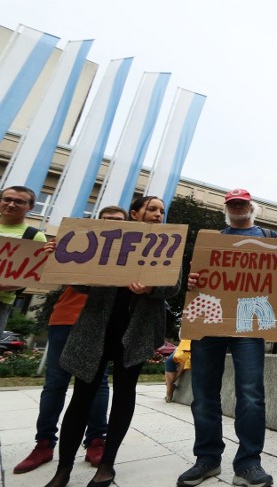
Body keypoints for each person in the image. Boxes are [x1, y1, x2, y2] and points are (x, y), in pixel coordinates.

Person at [43, 195, 180, 487]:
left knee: (124, 393)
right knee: (82, 395)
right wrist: (63, 258)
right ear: (135, 213)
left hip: (136, 331)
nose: (158, 214)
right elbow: (80, 285)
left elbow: (174, 286)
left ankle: (107, 464)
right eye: (151, 209)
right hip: (96, 329)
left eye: (161, 211)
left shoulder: (168, 244)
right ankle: (63, 468)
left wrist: (151, 288)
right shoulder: (106, 241)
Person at [14, 206, 127, 475]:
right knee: (55, 383)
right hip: (66, 318)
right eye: (107, 220)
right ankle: (44, 443)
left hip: (100, 324)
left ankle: (96, 440)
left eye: (119, 221)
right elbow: (42, 275)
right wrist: (53, 255)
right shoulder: (77, 243)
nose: (112, 223)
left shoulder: (128, 253)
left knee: (98, 383)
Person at [178, 188, 276, 487]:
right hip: (210, 323)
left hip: (249, 322)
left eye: (242, 203)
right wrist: (191, 279)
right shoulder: (211, 240)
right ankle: (207, 459)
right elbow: (191, 278)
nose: (237, 207)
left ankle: (248, 463)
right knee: (204, 394)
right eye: (232, 204)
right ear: (227, 209)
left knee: (251, 393)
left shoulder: (270, 237)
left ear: (251, 207)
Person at [0, 185, 48, 333]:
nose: (11, 204)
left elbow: (30, 276)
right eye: (7, 199)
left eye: (19, 202)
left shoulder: (35, 236)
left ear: (31, 207)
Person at [164, 339, 191, 403]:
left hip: (196, 346)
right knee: (169, 361)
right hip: (185, 345)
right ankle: (170, 388)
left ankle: (169, 390)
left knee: (182, 361)